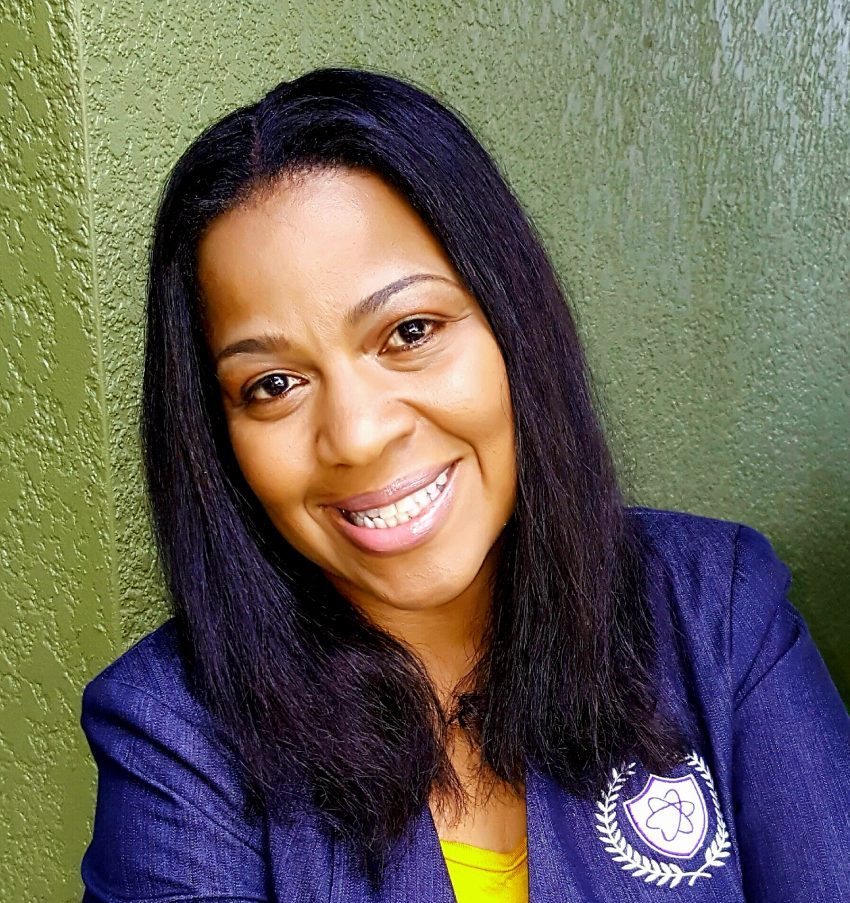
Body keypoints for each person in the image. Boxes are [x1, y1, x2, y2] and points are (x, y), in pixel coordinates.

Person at [79, 67, 850, 903]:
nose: (358, 434)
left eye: (410, 331)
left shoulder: (716, 614)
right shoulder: (175, 734)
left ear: (512, 325)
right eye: (273, 384)